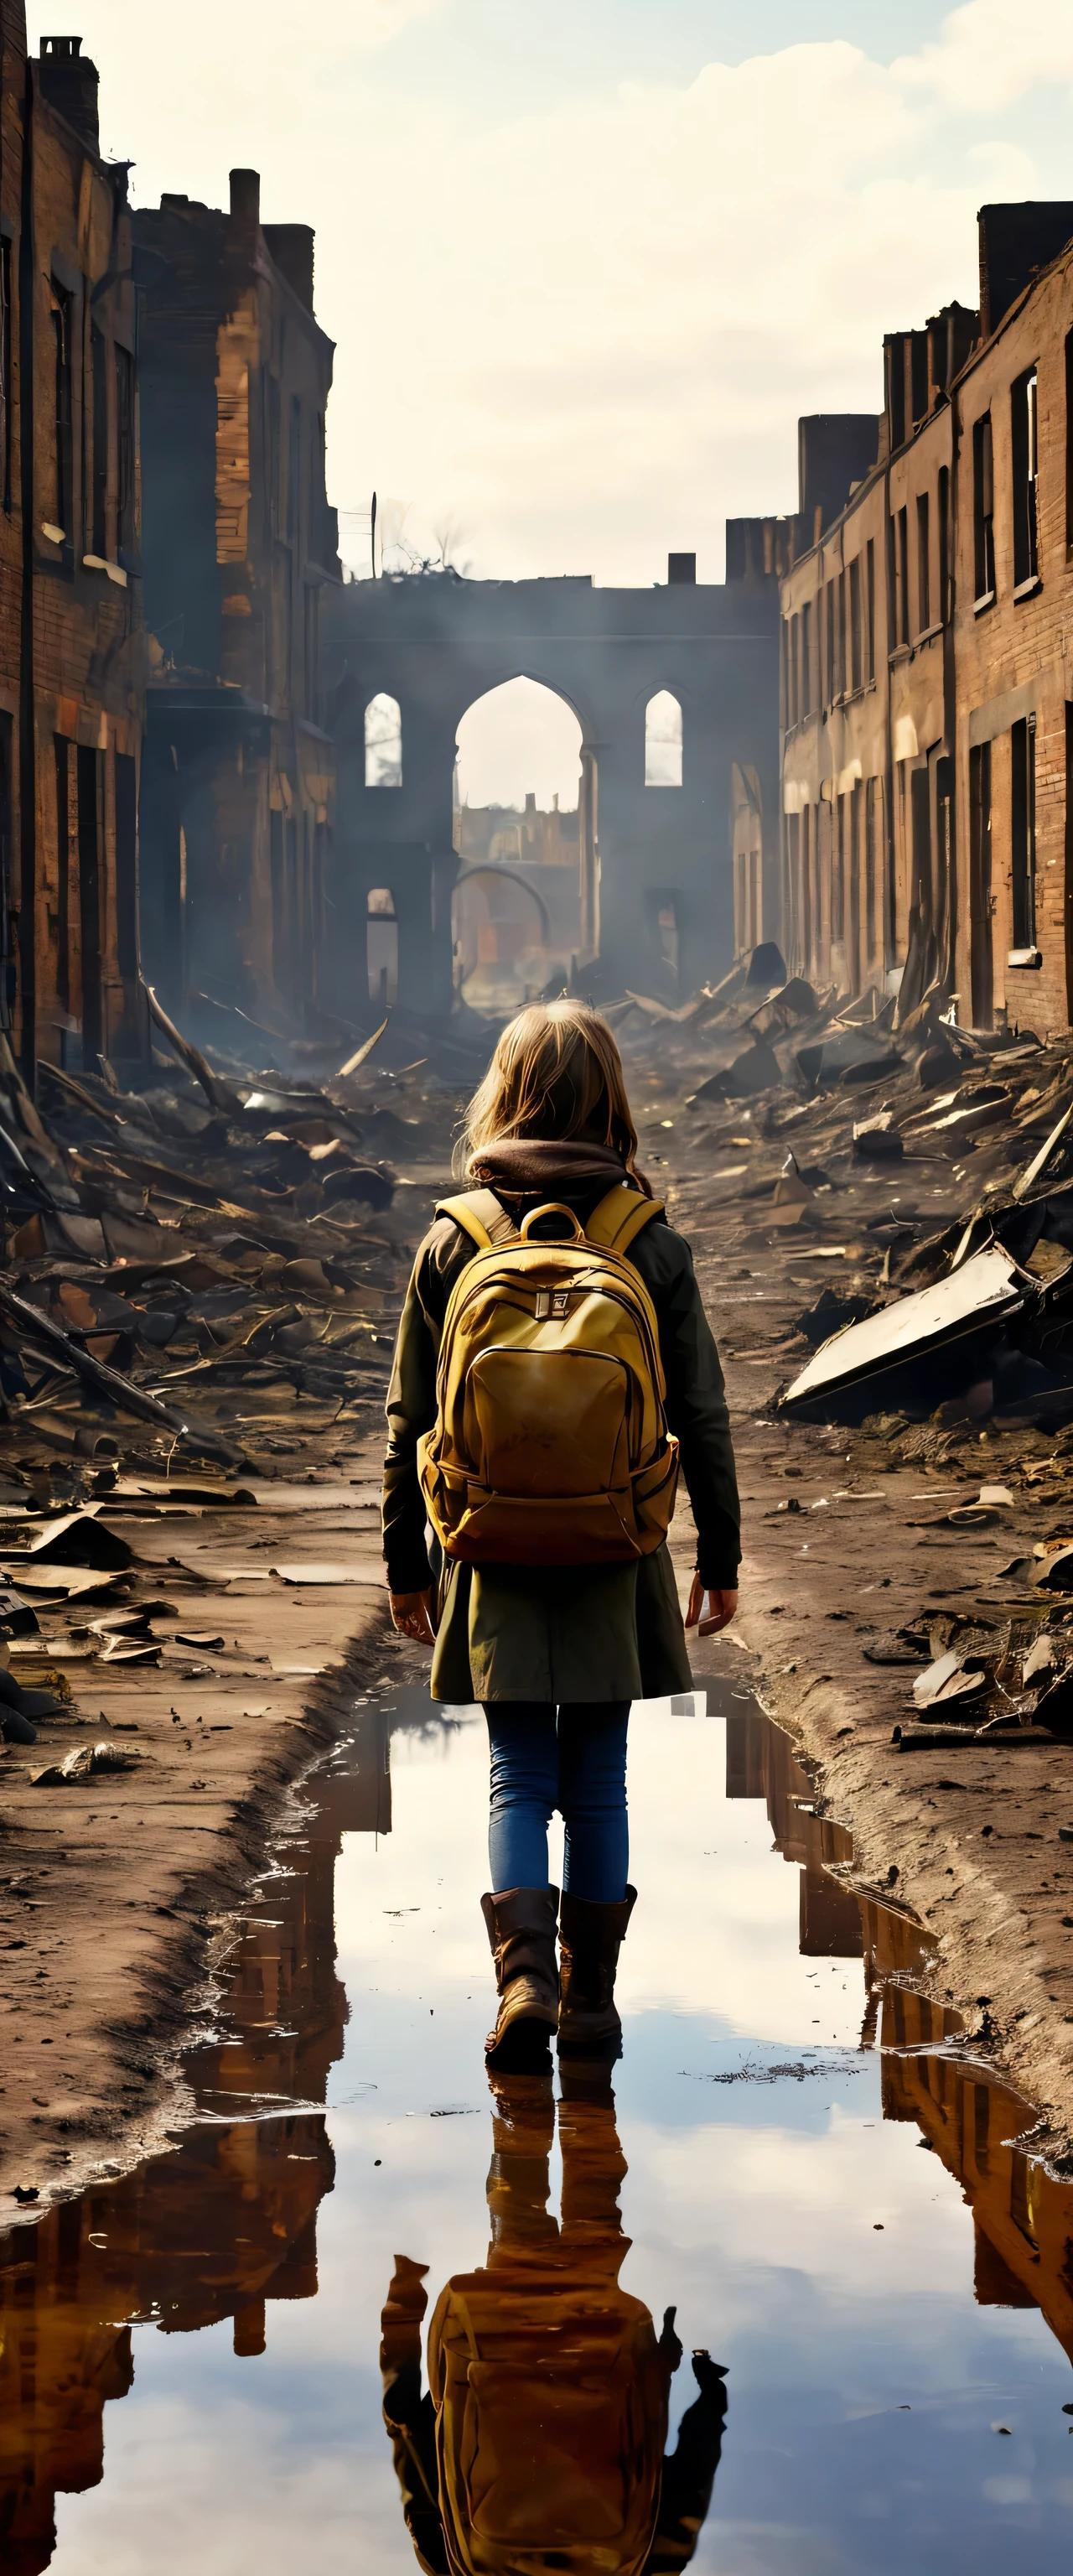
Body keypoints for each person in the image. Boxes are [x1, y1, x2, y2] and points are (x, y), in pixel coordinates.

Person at [383, 1002, 739, 2065]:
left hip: (488, 1548)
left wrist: (407, 1564)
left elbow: (409, 1421)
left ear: (502, 1095)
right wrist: (717, 1558)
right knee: (596, 1779)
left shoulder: (455, 1238)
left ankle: (521, 1985)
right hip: (615, 1549)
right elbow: (702, 1415)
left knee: (514, 1775)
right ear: (610, 1100)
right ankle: (591, 2002)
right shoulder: (649, 1240)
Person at [379, 2064, 728, 2576]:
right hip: (492, 2339)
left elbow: (688, 2486)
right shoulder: (453, 2569)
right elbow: (407, 2428)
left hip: (603, 2353)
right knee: (515, 2218)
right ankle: (520, 2087)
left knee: (595, 2214)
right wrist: (402, 2313)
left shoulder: (643, 2572)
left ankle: (587, 2064)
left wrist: (709, 2396)